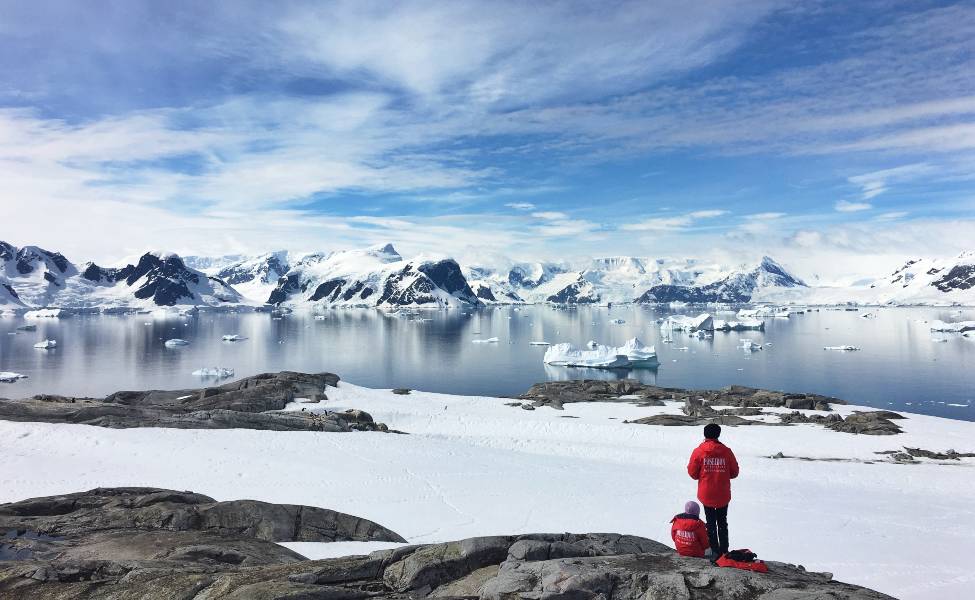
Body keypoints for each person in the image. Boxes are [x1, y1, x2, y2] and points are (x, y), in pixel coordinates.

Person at [687, 423, 739, 558]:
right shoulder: (726, 451)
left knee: (710, 522)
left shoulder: (699, 451)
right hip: (722, 493)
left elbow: (692, 473)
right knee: (722, 521)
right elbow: (734, 472)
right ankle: (724, 550)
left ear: (705, 435)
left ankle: (714, 551)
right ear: (718, 434)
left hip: (706, 493)